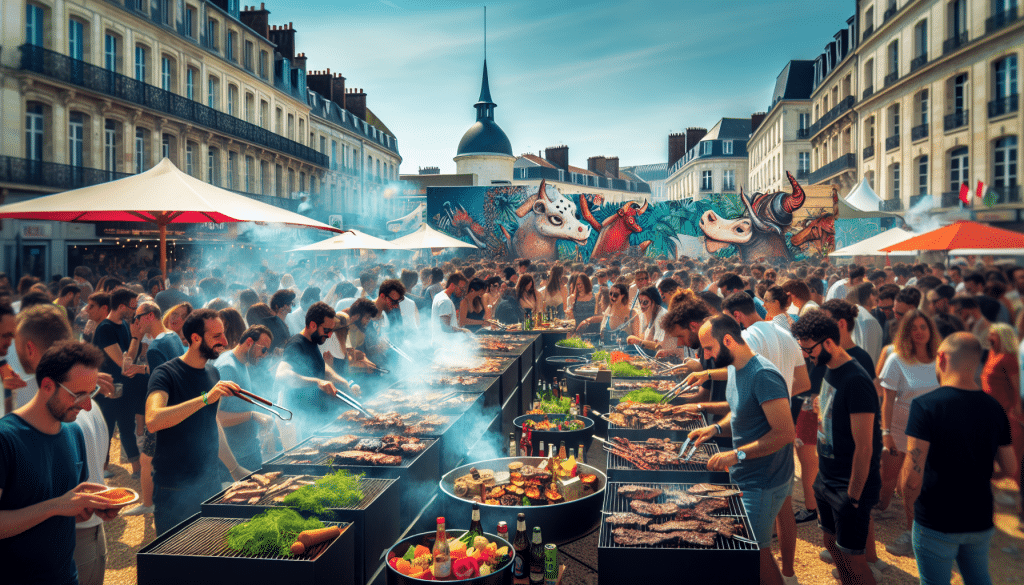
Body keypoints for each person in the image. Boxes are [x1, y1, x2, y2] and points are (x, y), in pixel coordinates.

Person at [685, 315, 796, 585]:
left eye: (709, 349)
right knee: (749, 552)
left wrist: (737, 454)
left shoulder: (763, 375)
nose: (707, 357)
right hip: (747, 474)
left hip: (764, 480)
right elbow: (740, 413)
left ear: (728, 340)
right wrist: (715, 430)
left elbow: (785, 433)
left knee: (755, 553)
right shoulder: (736, 367)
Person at [900, 333, 1017, 585]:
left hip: (936, 518)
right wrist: (983, 473)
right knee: (978, 578)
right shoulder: (994, 408)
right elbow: (1010, 467)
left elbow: (911, 478)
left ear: (941, 358)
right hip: (980, 517)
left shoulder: (925, 406)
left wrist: (909, 507)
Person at [0, 341, 119, 585]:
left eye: (92, 393)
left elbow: (57, 516)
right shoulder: (6, 439)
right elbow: (54, 507)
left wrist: (85, 508)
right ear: (47, 385)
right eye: (79, 395)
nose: (87, 406)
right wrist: (56, 506)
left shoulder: (73, 433)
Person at [791, 311, 882, 585]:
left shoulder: (856, 380)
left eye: (809, 349)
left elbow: (865, 447)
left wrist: (853, 497)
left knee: (854, 559)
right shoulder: (830, 369)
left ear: (828, 343)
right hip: (826, 478)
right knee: (831, 545)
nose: (807, 356)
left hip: (848, 485)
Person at [145, 309, 251, 534]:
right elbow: (153, 420)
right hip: (174, 489)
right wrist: (205, 398)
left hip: (209, 483)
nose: (224, 342)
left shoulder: (213, 373)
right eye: (216, 336)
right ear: (195, 338)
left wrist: (234, 467)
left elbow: (212, 423)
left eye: (223, 334)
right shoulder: (166, 374)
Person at [878, 309, 941, 556]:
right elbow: (887, 400)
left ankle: (914, 533)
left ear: (930, 330)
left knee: (913, 485)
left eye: (923, 327)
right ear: (906, 332)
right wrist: (886, 432)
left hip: (930, 434)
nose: (918, 332)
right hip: (899, 429)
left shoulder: (940, 359)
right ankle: (881, 505)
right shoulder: (896, 359)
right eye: (913, 328)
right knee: (889, 480)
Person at [276, 302, 357, 440]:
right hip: (305, 420)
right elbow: (281, 375)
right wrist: (318, 382)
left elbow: (321, 367)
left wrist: (342, 382)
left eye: (332, 331)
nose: (330, 335)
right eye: (327, 330)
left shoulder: (312, 342)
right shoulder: (296, 345)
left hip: (320, 415)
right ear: (313, 325)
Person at [215, 325, 275, 472]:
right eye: (264, 349)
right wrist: (252, 415)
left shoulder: (240, 363)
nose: (265, 355)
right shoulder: (227, 368)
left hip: (248, 452)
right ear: (249, 342)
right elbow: (217, 418)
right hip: (236, 459)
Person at [626, 286, 666, 353]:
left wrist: (639, 342)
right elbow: (645, 337)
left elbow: (659, 346)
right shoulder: (648, 314)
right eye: (640, 302)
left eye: (645, 302)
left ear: (653, 303)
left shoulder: (662, 317)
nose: (641, 305)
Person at [432, 272, 471, 340]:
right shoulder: (445, 301)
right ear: (452, 285)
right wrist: (462, 330)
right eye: (461, 289)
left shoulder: (440, 295)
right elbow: (445, 327)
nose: (462, 292)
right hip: (444, 343)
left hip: (440, 340)